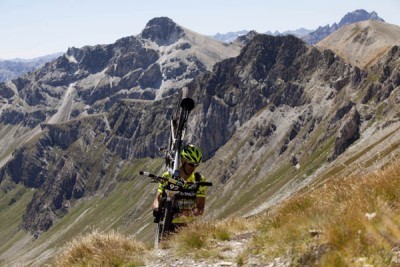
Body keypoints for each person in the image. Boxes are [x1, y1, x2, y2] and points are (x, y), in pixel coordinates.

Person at [152, 144, 207, 230]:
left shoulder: (199, 180)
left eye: (196, 165)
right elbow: (157, 199)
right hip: (168, 225)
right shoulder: (168, 176)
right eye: (191, 164)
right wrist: (156, 209)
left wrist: (182, 215)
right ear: (183, 161)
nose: (194, 168)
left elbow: (200, 209)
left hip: (188, 227)